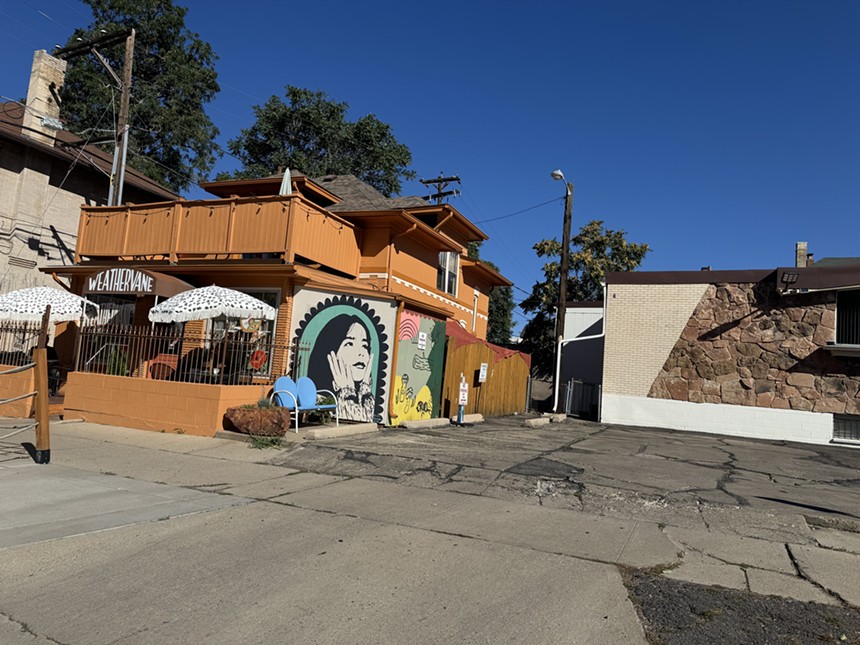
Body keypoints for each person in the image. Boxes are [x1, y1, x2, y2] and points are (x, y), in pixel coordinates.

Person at [307, 315, 375, 422]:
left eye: (364, 345)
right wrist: (347, 394)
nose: (361, 353)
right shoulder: (320, 397)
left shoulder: (366, 397)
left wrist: (365, 394)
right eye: (350, 344)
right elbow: (355, 423)